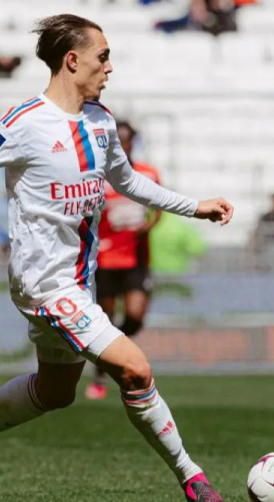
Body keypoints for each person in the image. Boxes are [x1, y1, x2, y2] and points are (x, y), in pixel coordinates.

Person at [0, 14, 233, 502]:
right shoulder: (24, 122)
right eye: (103, 57)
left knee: (55, 392)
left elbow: (129, 182)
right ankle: (194, 479)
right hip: (41, 284)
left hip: (79, 282)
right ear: (73, 61)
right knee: (135, 369)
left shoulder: (101, 121)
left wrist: (195, 206)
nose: (110, 67)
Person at [84, 121, 161, 401]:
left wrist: (147, 226)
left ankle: (112, 353)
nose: (124, 144)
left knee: (135, 317)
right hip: (105, 258)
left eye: (128, 139)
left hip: (136, 258)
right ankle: (101, 374)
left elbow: (158, 207)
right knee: (105, 319)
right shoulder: (99, 176)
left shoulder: (148, 173)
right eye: (121, 139)